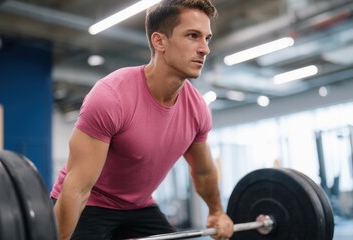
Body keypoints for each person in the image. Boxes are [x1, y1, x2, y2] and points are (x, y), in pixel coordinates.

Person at [50, 0, 234, 239]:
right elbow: (77, 189)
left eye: (206, 38)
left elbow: (203, 171)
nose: (205, 49)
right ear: (159, 41)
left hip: (137, 207)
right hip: (89, 204)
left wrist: (217, 212)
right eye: (192, 36)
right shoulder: (112, 97)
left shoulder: (196, 108)